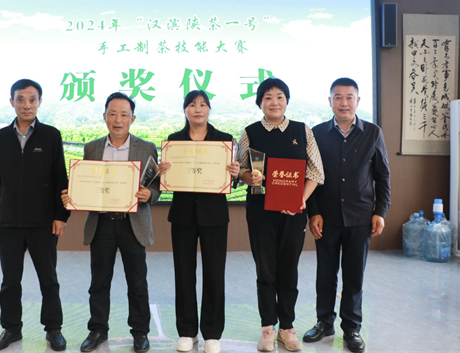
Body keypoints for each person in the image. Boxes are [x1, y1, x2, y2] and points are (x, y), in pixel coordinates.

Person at [61, 92, 160, 353]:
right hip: (102, 223)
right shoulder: (92, 148)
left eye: (124, 115)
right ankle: (97, 330)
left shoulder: (146, 148)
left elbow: (156, 186)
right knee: (99, 282)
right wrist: (73, 195)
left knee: (137, 282)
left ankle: (140, 332)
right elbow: (85, 183)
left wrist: (150, 195)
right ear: (104, 116)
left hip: (133, 224)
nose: (118, 120)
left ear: (132, 119)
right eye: (113, 114)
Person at [303, 78, 391, 353]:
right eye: (338, 97)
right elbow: (310, 176)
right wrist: (313, 212)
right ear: (330, 101)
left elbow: (382, 176)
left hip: (360, 217)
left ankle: (352, 328)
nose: (343, 102)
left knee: (354, 277)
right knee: (325, 274)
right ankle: (324, 322)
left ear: (358, 101)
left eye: (349, 97)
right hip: (326, 217)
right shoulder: (317, 133)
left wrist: (380, 212)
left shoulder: (372, 132)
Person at [239, 78, 324, 352]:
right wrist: (248, 177)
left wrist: (300, 199)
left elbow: (316, 172)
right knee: (265, 271)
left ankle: (287, 328)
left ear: (286, 101)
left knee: (288, 270)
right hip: (260, 212)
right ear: (260, 103)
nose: (274, 102)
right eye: (267, 97)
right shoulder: (250, 132)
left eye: (279, 97)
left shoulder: (302, 130)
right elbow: (241, 171)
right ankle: (267, 328)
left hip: (293, 212)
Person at [0, 79, 69, 352]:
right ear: (12, 102)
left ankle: (53, 329)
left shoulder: (51, 135)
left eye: (32, 99)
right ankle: (11, 329)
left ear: (40, 102)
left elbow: (60, 178)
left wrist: (61, 216)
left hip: (43, 222)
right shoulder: (1, 137)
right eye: (20, 99)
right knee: (10, 281)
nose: (26, 105)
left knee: (49, 280)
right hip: (8, 222)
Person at [157, 91, 240, 353]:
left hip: (214, 216)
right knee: (183, 273)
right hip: (183, 214)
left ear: (209, 110)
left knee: (214, 273)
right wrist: (162, 172)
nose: (198, 109)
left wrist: (235, 173)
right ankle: (187, 331)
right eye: (192, 105)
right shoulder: (174, 141)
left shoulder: (224, 140)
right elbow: (165, 179)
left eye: (203, 104)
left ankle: (212, 334)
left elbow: (234, 179)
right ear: (185, 110)